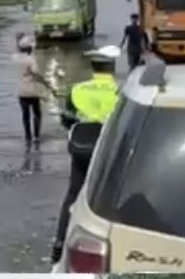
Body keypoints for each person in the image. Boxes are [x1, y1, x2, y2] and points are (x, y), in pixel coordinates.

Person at [51, 49, 119, 263]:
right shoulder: (121, 91)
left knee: (73, 192)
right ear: (112, 67)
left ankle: (60, 242)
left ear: (93, 67)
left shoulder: (77, 90)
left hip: (82, 148)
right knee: (111, 198)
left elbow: (67, 120)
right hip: (109, 150)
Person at [14, 33, 54, 146]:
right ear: (29, 48)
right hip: (32, 91)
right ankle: (36, 136)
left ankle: (27, 136)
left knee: (25, 115)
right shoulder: (31, 60)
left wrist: (18, 40)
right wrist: (47, 84)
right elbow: (37, 74)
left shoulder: (15, 58)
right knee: (37, 114)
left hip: (21, 92)